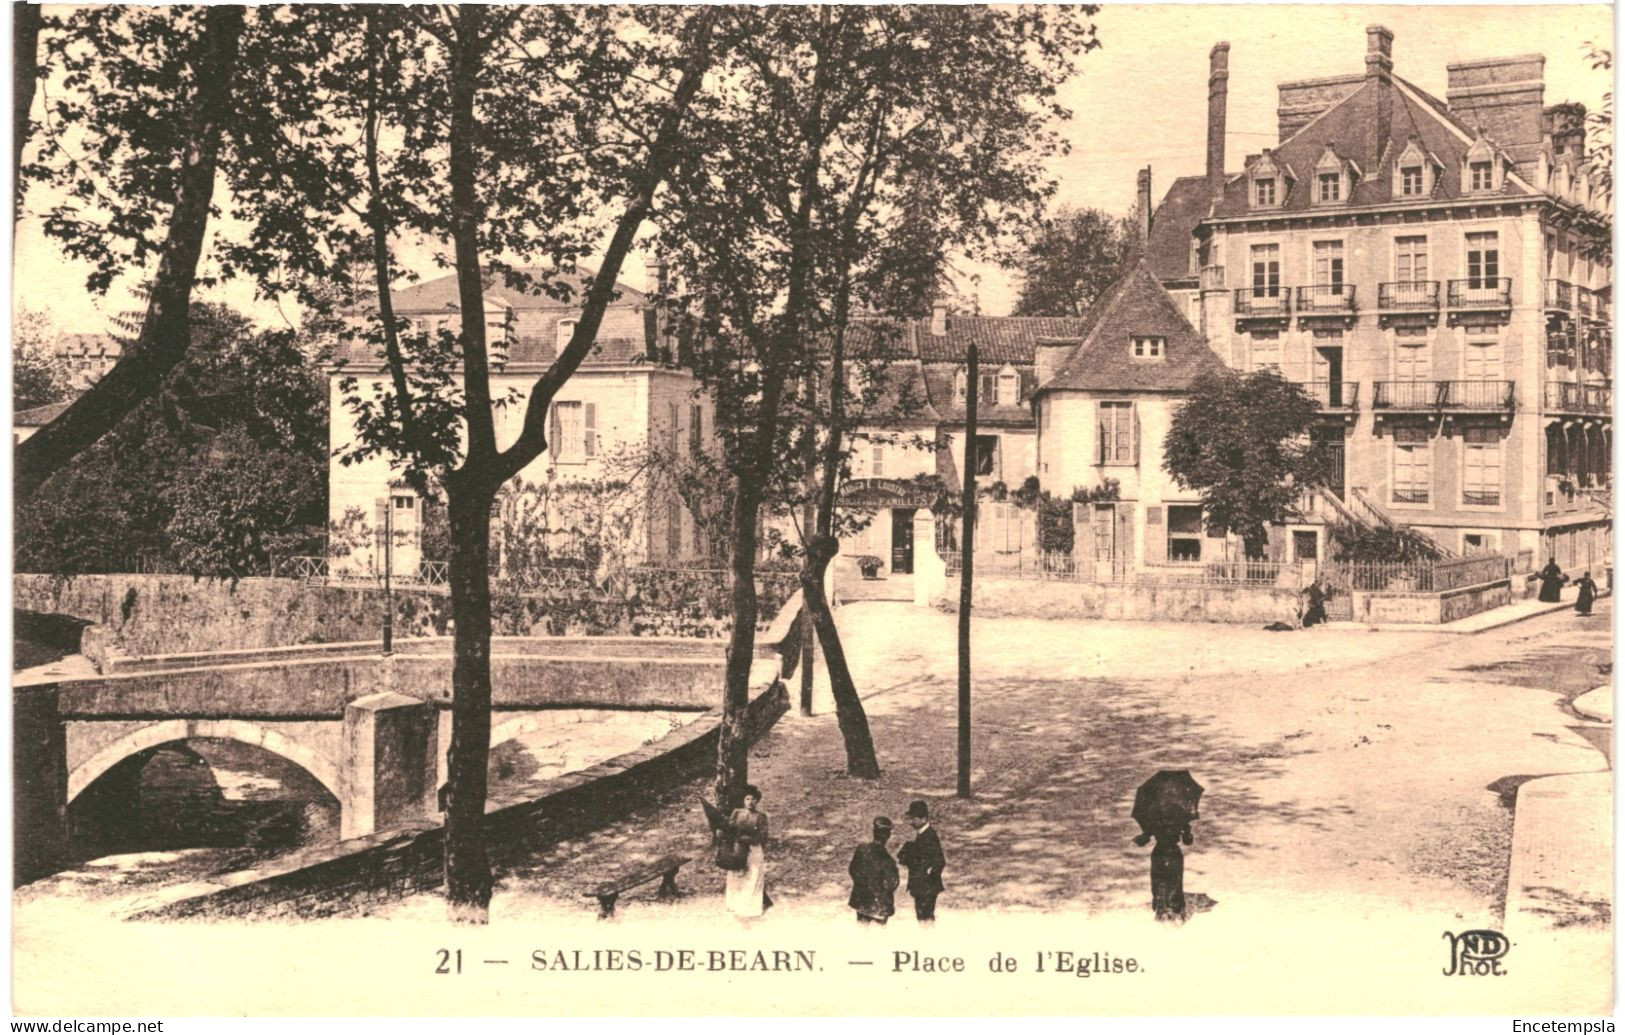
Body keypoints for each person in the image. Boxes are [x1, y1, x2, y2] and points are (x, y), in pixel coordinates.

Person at [724, 784, 770, 919]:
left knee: (754, 875)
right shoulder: (737, 813)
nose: (750, 802)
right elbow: (729, 830)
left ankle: (751, 907)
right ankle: (735, 904)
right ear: (743, 801)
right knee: (736, 875)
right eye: (747, 799)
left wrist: (745, 838)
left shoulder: (761, 816)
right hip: (738, 849)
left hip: (754, 849)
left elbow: (763, 836)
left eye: (753, 799)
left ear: (757, 801)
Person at [897, 800, 945, 924]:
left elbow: (939, 861)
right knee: (923, 918)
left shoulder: (929, 836)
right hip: (922, 888)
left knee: (926, 919)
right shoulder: (923, 834)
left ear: (924, 819)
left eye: (914, 818)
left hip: (926, 889)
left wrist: (927, 876)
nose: (911, 821)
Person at [1134, 821, 1192, 923]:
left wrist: (1140, 838)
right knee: (1174, 881)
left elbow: (1143, 840)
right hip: (1173, 852)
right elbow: (1187, 841)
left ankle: (1161, 908)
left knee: (1159, 880)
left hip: (1159, 852)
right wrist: (1187, 832)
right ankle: (1175, 911)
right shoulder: (1180, 818)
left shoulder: (1154, 819)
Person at [848, 817, 899, 924]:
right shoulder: (888, 861)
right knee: (878, 938)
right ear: (888, 835)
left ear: (874, 832)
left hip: (862, 902)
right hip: (880, 907)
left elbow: (852, 870)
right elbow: (891, 884)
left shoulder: (862, 849)